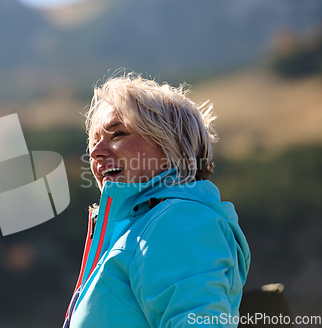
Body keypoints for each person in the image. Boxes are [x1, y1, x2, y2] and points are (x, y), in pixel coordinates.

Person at [63, 72, 250, 327]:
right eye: (95, 141)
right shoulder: (142, 227)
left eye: (117, 134)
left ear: (170, 145)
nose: (95, 152)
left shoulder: (178, 221)